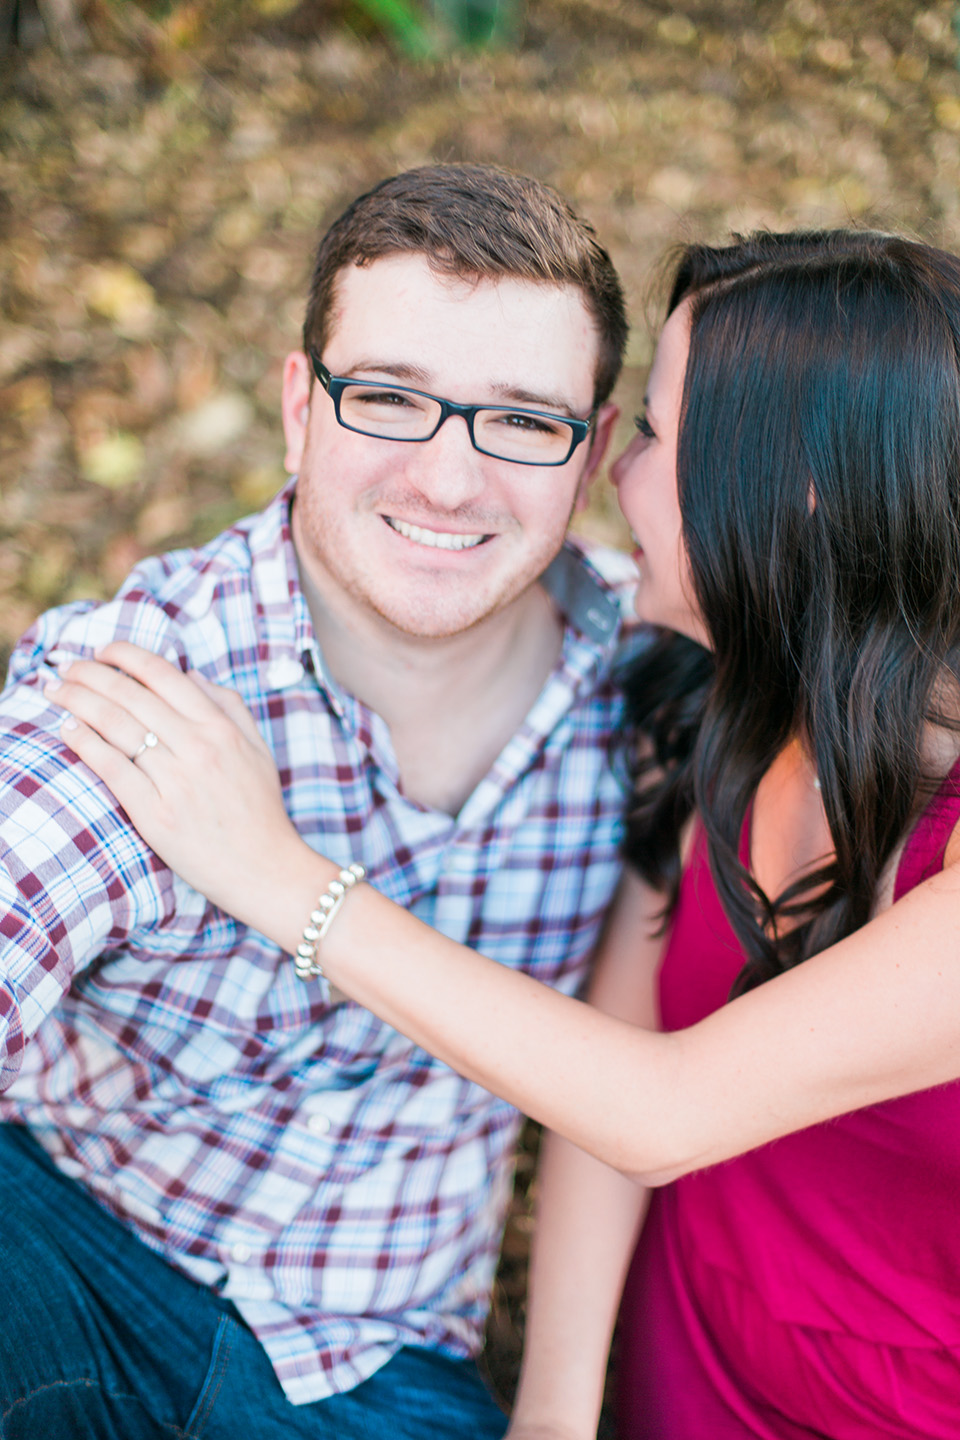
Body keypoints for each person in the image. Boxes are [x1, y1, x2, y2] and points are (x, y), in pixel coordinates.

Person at [52, 228, 960, 1439]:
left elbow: (662, 1103)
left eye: (648, 432)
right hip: (686, 1334)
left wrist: (277, 875)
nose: (608, 477)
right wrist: (556, 1410)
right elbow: (603, 1069)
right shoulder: (729, 700)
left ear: (792, 496)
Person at [0, 163, 635, 1438]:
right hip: (63, 1239)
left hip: (376, 1357)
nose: (450, 483)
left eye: (521, 421)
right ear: (302, 409)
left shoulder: (650, 686)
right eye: (391, 399)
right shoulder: (150, 689)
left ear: (595, 453)